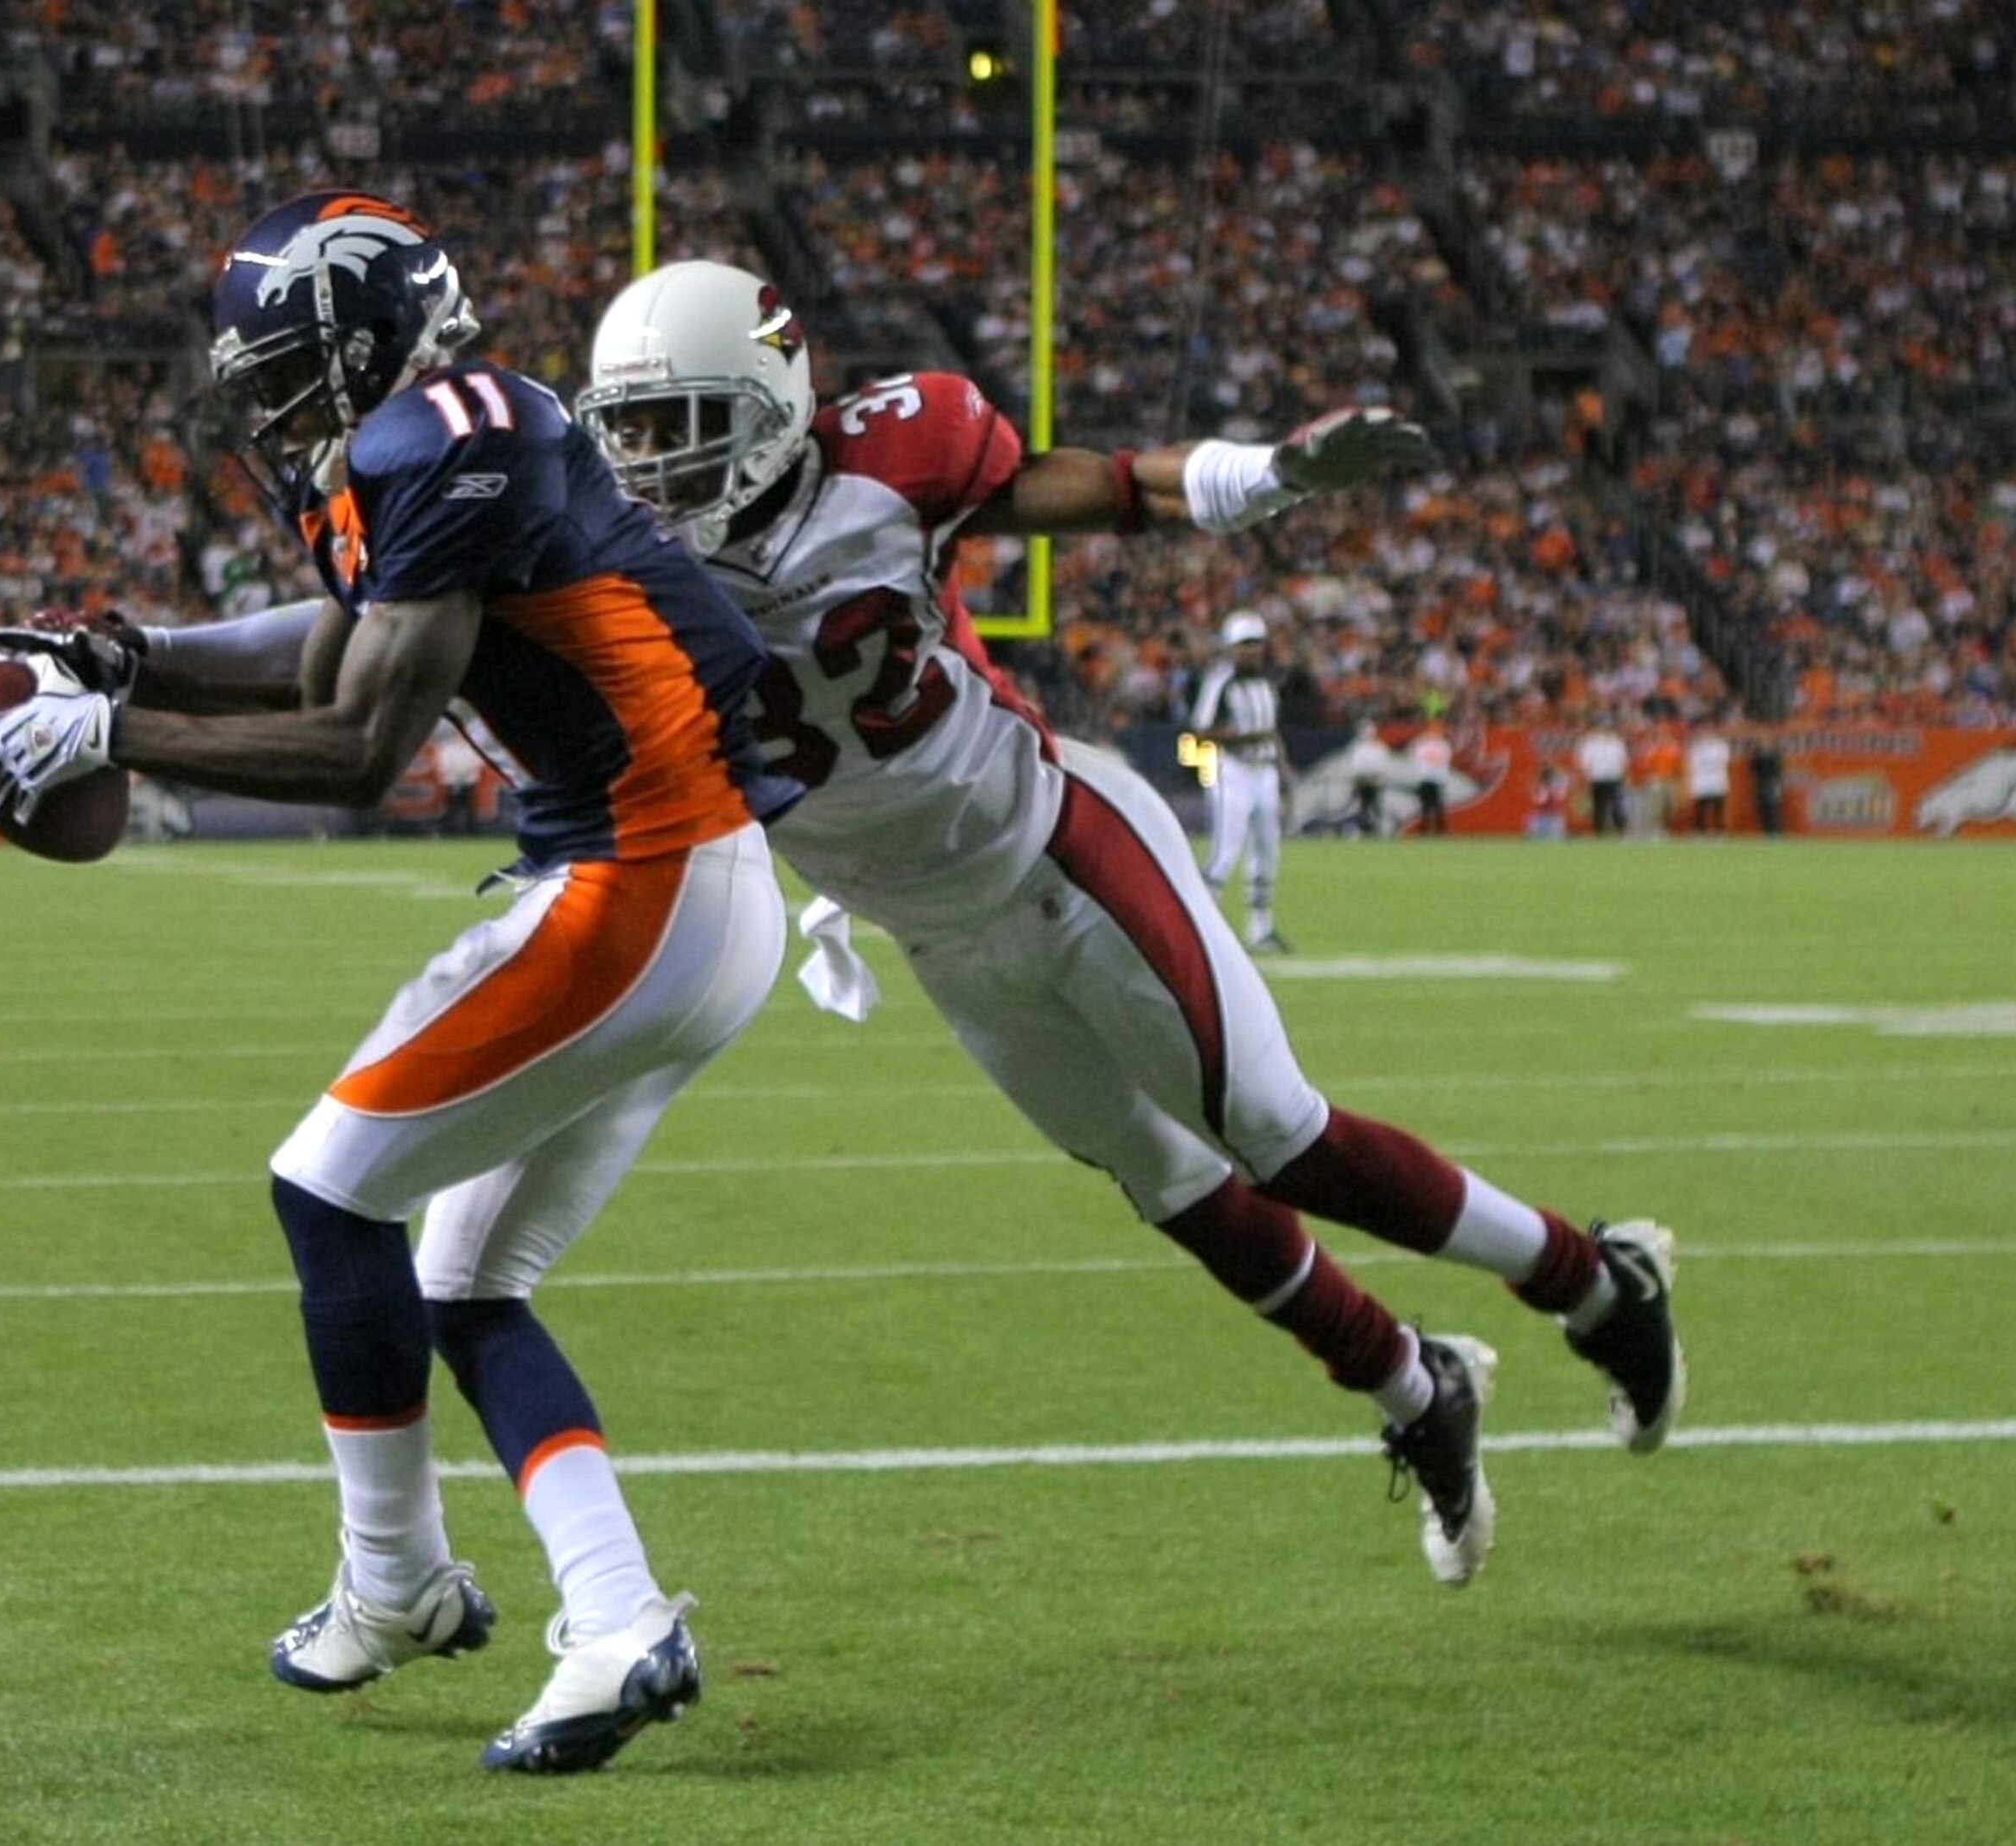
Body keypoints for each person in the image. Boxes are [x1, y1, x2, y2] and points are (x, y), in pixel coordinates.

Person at [575, 259, 1684, 1593]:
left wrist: (1261, 472)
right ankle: (1416, 1387)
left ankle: (1592, 1279)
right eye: (623, 429)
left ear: (763, 405)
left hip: (1056, 844)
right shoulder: (607, 554)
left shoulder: (890, 458)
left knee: (1274, 1133)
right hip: (933, 930)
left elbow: (1096, 487)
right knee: (1176, 1192)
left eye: (673, 425)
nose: (640, 464)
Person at [0, 194, 801, 1776]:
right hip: (683, 880)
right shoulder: (432, 442)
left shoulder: (454, 430)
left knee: (328, 1188)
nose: (270, 411)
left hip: (645, 873)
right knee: (467, 1287)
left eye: (283, 372)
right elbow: (335, 636)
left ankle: (399, 1585)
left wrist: (112, 732)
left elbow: (354, 741)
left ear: (356, 340)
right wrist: (127, 653)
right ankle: (613, 1619)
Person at [1188, 609, 1291, 951]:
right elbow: (1201, 731)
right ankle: (1204, 929)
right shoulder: (1221, 681)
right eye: (1245, 644)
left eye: (1257, 643)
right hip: (1232, 771)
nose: (1252, 651)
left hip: (1264, 771)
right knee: (1225, 850)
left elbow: (1272, 732)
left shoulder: (1266, 681)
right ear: (1231, 647)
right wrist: (1246, 737)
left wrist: (1284, 771)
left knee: (1267, 850)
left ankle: (1260, 929)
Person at [1578, 714, 1630, 837]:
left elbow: (1623, 761)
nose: (1605, 730)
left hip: (1614, 778)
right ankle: (1599, 832)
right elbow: (1584, 762)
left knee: (1617, 806)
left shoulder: (1617, 743)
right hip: (1597, 779)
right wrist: (1587, 777)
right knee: (1598, 807)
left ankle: (1621, 831)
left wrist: (1624, 776)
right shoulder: (1590, 743)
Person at [1343, 716, 1392, 838]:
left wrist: (1377, 777)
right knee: (1362, 807)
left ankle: (1379, 829)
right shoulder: (1356, 747)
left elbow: (1383, 765)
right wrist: (1357, 778)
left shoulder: (1379, 747)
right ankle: (1363, 830)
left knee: (1376, 807)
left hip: (1375, 782)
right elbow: (1353, 766)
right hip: (1362, 782)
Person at [1409, 720, 1454, 834]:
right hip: (1438, 779)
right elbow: (1447, 760)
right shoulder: (1444, 745)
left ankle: (1425, 829)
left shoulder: (1421, 744)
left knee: (1426, 806)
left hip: (1425, 778)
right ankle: (1439, 829)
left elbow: (1413, 756)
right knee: (1437, 806)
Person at [1685, 724, 1732, 834]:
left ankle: (1720, 831)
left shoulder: (1721, 746)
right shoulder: (1696, 748)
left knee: (1718, 808)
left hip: (1717, 780)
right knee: (1701, 808)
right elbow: (1693, 763)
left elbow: (1721, 762)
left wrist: (1706, 763)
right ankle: (1701, 831)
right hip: (1702, 782)